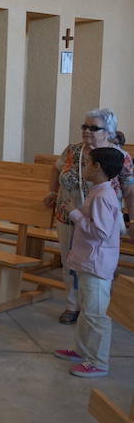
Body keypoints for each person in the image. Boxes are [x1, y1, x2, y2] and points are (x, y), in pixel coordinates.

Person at [43, 108, 133, 324]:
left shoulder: (119, 156)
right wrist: (53, 192)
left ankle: (95, 308)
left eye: (93, 128)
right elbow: (55, 170)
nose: (87, 131)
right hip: (68, 215)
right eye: (85, 126)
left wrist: (132, 220)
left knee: (97, 263)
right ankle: (72, 305)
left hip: (101, 220)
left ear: (108, 131)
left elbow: (129, 190)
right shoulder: (72, 150)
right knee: (69, 261)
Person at [54, 147, 125, 378]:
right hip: (89, 261)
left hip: (97, 264)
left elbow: (100, 233)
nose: (83, 167)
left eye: (87, 163)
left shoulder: (104, 196)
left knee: (97, 315)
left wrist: (74, 213)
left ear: (98, 167)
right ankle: (81, 351)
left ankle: (98, 361)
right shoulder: (99, 190)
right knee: (87, 311)